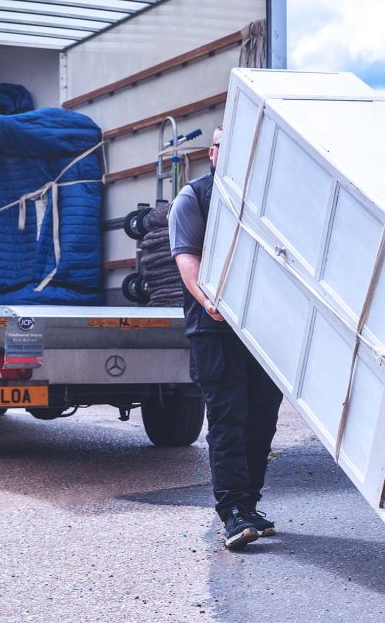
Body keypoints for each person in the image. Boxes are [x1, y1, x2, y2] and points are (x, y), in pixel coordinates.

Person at [169, 126, 284, 550]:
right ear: (213, 153)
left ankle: (250, 505)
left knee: (262, 421)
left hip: (262, 331)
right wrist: (211, 300)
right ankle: (233, 511)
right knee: (228, 422)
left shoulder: (262, 200)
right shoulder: (193, 198)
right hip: (215, 330)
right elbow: (188, 261)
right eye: (223, 146)